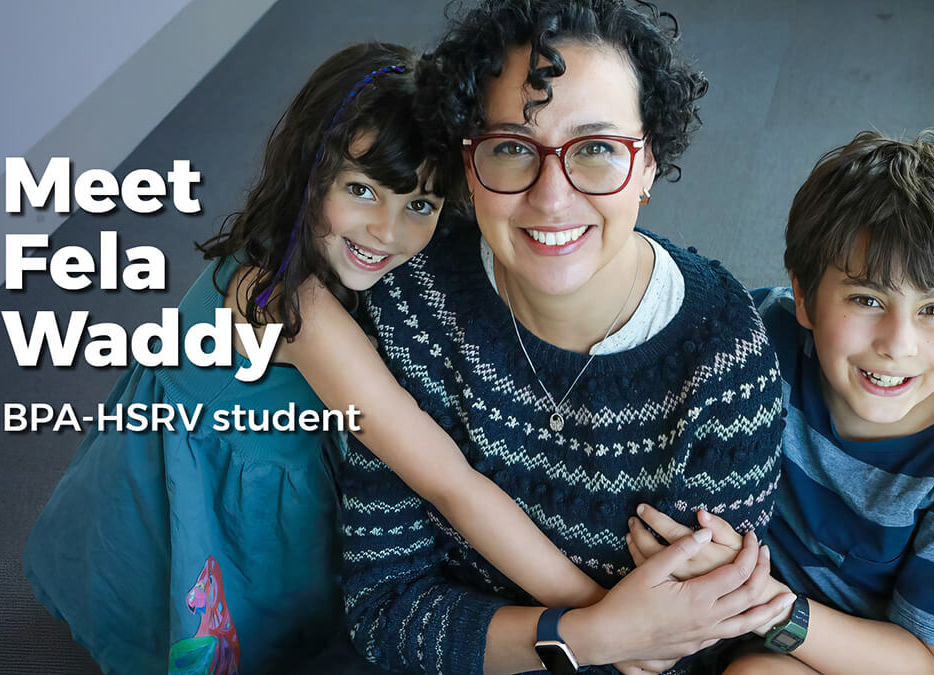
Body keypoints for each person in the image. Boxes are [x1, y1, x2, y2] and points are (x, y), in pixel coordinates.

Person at [23, 41, 618, 675]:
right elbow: (448, 482)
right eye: (362, 190)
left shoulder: (352, 254)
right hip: (210, 484)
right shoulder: (283, 302)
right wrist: (600, 614)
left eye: (419, 204)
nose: (387, 231)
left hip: (286, 462)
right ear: (311, 171)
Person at [338, 2, 790, 674]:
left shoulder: (724, 360)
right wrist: (590, 635)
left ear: (647, 164)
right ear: (469, 163)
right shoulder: (413, 300)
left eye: (597, 149)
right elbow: (383, 609)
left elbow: (690, 645)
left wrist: (605, 637)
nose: (551, 198)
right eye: (512, 147)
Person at [627, 130, 934, 674]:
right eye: (867, 299)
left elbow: (928, 662)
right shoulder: (755, 342)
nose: (898, 344)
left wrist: (756, 603)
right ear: (803, 298)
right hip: (793, 633)